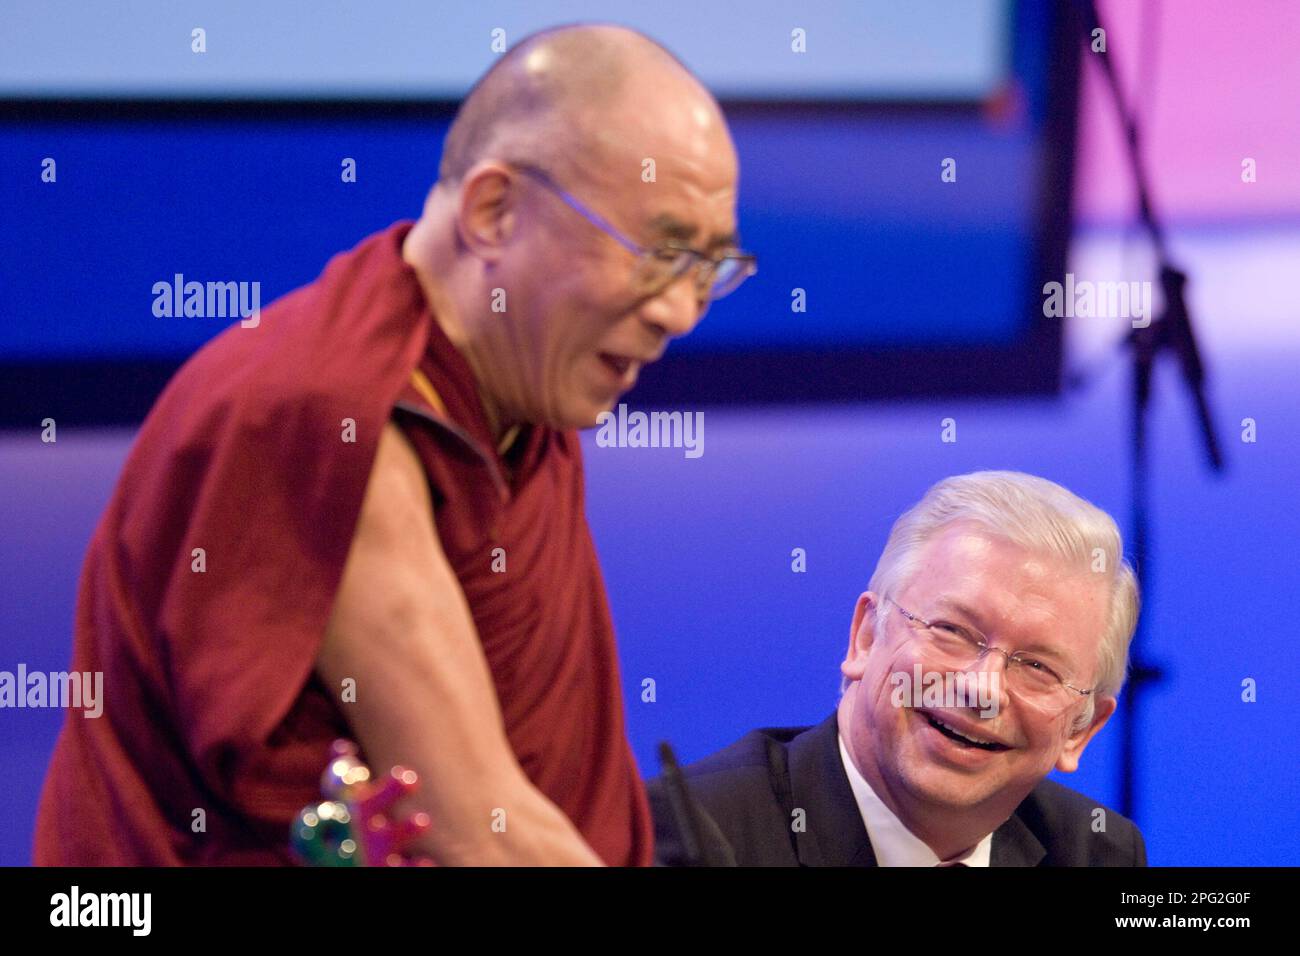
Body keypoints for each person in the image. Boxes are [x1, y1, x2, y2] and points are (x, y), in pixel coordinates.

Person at [34, 23, 752, 865]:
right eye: (657, 253)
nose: (679, 313)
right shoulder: (325, 418)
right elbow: (477, 831)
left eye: (709, 268)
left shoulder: (514, 395)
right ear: (494, 210)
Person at [649, 471, 1148, 866]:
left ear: (1081, 730)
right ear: (866, 636)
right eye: (952, 631)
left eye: (1037, 666)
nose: (982, 688)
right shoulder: (690, 835)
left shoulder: (1096, 852)